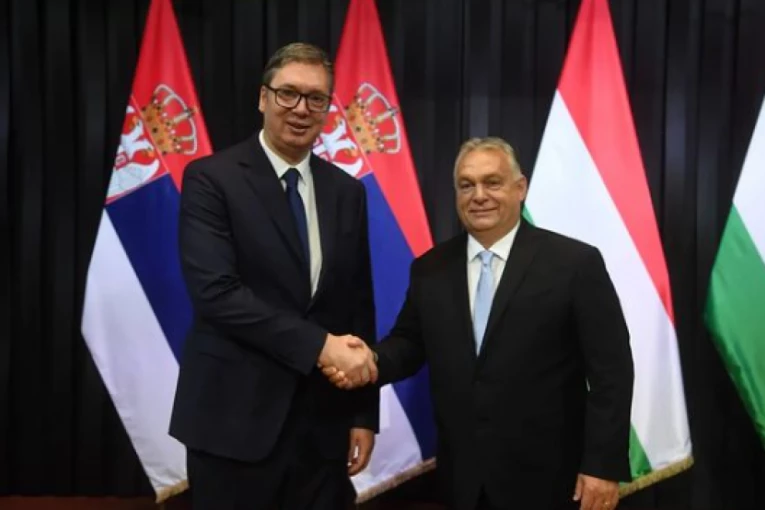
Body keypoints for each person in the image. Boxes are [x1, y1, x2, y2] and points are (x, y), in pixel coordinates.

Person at [323, 137, 634, 510]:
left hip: (553, 480)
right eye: (466, 185)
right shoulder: (430, 269)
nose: (479, 195)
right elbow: (408, 345)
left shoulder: (574, 264)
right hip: (463, 480)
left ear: (520, 188)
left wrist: (601, 466)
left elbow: (612, 373)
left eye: (493, 182)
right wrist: (367, 360)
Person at [169, 42, 379, 510]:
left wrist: (363, 414)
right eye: (288, 93)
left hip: (323, 430)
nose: (301, 109)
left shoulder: (347, 191)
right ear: (263, 98)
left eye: (316, 98)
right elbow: (217, 294)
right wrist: (321, 346)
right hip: (233, 424)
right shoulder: (211, 179)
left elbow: (357, 303)